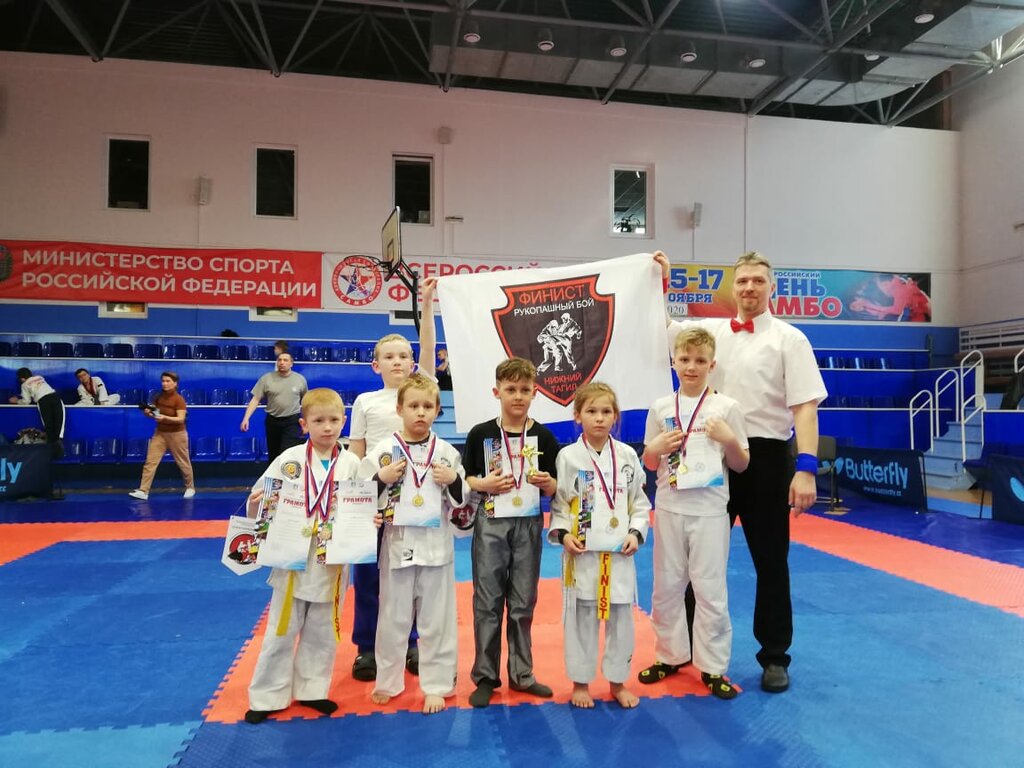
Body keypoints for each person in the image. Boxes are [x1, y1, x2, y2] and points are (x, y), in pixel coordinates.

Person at [659, 250, 827, 693]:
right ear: (732, 288)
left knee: (770, 560)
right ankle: (688, 648)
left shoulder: (790, 339)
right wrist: (659, 283)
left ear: (771, 287)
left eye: (758, 281)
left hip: (767, 457)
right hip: (709, 455)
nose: (749, 287)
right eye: (742, 281)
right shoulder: (711, 333)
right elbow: (662, 329)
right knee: (697, 558)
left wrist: (807, 468)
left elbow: (805, 408)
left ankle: (774, 655)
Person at [637, 327, 749, 699]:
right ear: (674, 362)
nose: (691, 366)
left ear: (712, 365)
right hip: (670, 507)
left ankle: (713, 666)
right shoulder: (660, 408)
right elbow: (649, 464)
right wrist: (654, 447)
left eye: (700, 360)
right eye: (684, 359)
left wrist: (729, 440)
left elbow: (742, 464)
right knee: (666, 587)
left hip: (711, 510)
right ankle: (669, 655)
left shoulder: (726, 407)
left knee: (710, 589)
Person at [243, 388, 361, 724]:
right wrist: (256, 503)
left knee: (323, 631)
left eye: (334, 420)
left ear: (344, 421)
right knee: (281, 629)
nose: (328, 427)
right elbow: (262, 498)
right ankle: (267, 694)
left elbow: (361, 505)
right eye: (319, 420)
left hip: (332, 558)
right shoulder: (290, 459)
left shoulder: (352, 463)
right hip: (292, 556)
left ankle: (312, 689)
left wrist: (368, 520)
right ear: (304, 424)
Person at [360, 373, 467, 715]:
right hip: (397, 545)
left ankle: (437, 685)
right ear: (399, 409)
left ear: (437, 410)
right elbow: (358, 497)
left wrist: (454, 480)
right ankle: (388, 681)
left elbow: (463, 503)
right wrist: (380, 478)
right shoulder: (383, 451)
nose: (420, 412)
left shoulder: (447, 452)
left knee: (438, 621)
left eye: (427, 406)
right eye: (413, 406)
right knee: (392, 618)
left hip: (437, 547)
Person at [347, 278, 438, 682]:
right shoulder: (365, 402)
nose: (398, 361)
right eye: (389, 356)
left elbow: (429, 348)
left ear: (413, 363)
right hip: (374, 493)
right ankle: (367, 648)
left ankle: (410, 643)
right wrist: (353, 498)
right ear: (376, 365)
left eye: (404, 356)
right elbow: (356, 453)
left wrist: (427, 304)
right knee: (367, 573)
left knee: (409, 572)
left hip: (415, 495)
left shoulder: (421, 391)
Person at [461, 357, 560, 708]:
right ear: (497, 391)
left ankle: (522, 674)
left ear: (535, 393)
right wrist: (482, 483)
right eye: (511, 389)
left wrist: (548, 484)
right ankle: (486, 676)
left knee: (522, 602)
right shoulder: (481, 433)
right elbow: (467, 478)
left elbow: (556, 487)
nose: (518, 396)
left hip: (528, 523)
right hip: (491, 519)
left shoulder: (544, 436)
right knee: (487, 601)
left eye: (524, 390)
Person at [548, 382, 651, 709]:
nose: (599, 418)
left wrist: (636, 532)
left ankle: (618, 682)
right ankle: (580, 683)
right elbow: (560, 504)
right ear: (578, 416)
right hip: (583, 555)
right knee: (581, 619)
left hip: (619, 553)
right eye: (591, 411)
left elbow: (639, 502)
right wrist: (564, 535)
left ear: (615, 416)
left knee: (621, 620)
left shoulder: (628, 456)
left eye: (606, 411)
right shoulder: (568, 457)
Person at [129, 371, 196, 500]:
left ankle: (190, 487)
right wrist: (148, 413)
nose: (165, 384)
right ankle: (143, 491)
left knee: (183, 462)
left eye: (168, 381)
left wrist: (165, 417)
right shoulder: (158, 397)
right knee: (150, 462)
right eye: (163, 381)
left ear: (175, 383)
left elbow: (180, 419)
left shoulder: (179, 400)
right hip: (160, 433)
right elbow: (155, 414)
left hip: (177, 434)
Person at [240, 352, 308, 462]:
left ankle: (287, 473)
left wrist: (306, 424)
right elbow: (255, 399)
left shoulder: (300, 379)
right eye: (279, 360)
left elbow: (305, 402)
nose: (282, 362)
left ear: (291, 363)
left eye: (285, 360)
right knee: (274, 454)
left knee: (287, 452)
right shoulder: (266, 379)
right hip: (272, 420)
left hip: (292, 421)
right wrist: (246, 418)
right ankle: (274, 473)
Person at [9, 367, 65, 460]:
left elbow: (26, 401)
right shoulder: (40, 377)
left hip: (43, 401)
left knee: (49, 426)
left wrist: (16, 401)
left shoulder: (24, 385)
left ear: (21, 378)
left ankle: (52, 453)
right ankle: (59, 448)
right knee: (59, 423)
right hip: (55, 397)